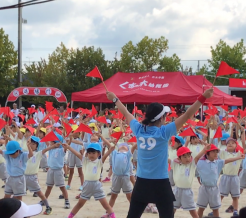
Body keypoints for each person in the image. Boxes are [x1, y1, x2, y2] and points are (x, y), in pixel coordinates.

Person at [106, 88, 214, 218]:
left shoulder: (139, 129)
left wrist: (115, 99)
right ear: (161, 118)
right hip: (160, 182)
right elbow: (187, 115)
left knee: (133, 215)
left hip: (142, 181)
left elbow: (126, 113)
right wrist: (203, 97)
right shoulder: (164, 132)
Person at [63, 143, 116, 218]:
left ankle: (113, 216)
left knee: (105, 205)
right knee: (80, 204)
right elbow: (77, 154)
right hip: (87, 185)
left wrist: (110, 150)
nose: (91, 154)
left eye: (93, 153)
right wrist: (68, 147)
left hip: (97, 186)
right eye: (89, 153)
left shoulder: (99, 162)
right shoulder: (85, 161)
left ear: (98, 154)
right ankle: (70, 216)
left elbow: (106, 154)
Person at [196, 144, 244, 218]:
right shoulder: (202, 163)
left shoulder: (218, 162)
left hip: (214, 189)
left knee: (215, 209)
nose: (216, 154)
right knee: (201, 208)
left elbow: (228, 160)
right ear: (207, 153)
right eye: (213, 152)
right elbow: (195, 159)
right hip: (204, 188)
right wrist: (203, 150)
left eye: (216, 152)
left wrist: (238, 157)